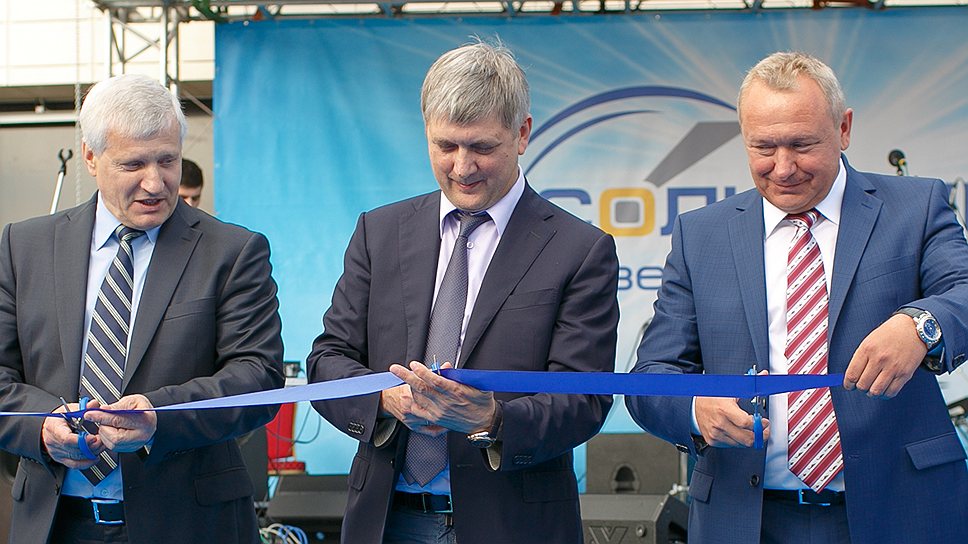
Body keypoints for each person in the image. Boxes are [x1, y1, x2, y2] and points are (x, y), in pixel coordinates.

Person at [626, 51, 968, 543]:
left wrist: (920, 325)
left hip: (901, 510)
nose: (783, 168)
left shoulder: (916, 207)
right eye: (763, 147)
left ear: (844, 128)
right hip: (745, 520)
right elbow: (651, 377)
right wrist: (696, 410)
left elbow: (962, 290)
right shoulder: (701, 235)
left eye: (802, 145)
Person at [307, 40, 619, 544]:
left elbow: (584, 397)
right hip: (386, 522)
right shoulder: (379, 232)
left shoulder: (578, 249)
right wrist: (384, 399)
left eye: (482, 147)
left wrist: (491, 418)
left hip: (513, 526)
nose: (462, 166)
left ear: (522, 133)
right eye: (445, 146)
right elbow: (327, 361)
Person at [0, 73, 285, 544]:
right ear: (90, 157)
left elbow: (258, 377)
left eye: (167, 160)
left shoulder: (233, 252)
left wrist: (159, 417)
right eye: (133, 164)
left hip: (190, 525)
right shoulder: (23, 247)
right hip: (55, 524)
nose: (155, 183)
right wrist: (42, 426)